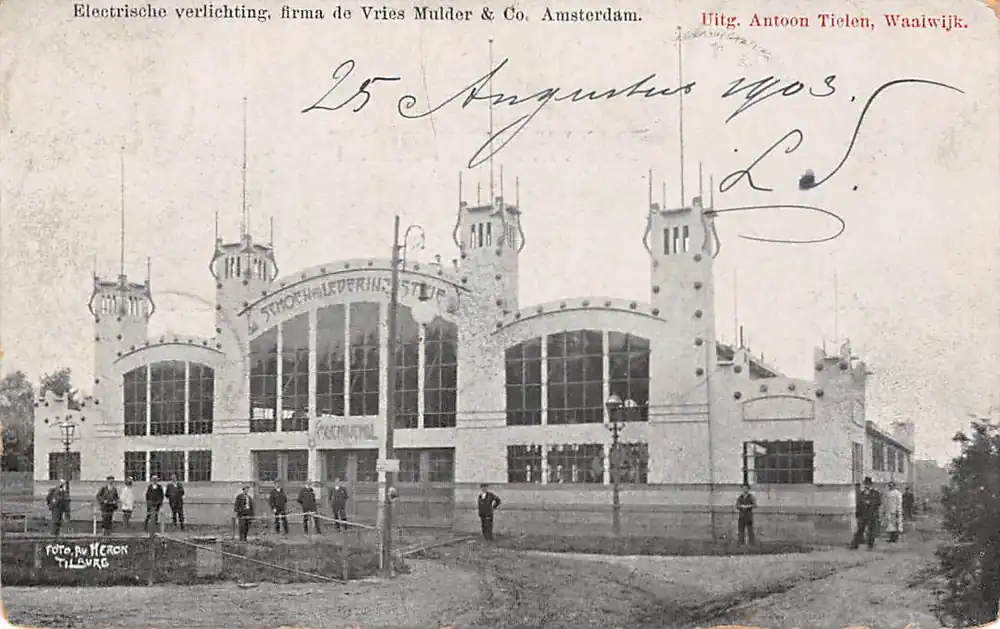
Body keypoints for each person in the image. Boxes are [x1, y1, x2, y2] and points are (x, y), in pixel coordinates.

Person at [851, 477, 882, 550]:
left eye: (868, 484)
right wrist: (857, 514)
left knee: (872, 530)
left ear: (871, 485)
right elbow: (858, 504)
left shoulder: (875, 493)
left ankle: (870, 545)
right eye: (866, 484)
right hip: (863, 514)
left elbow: (878, 502)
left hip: (872, 513)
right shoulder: (862, 493)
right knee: (860, 530)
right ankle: (855, 544)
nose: (867, 485)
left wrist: (870, 502)